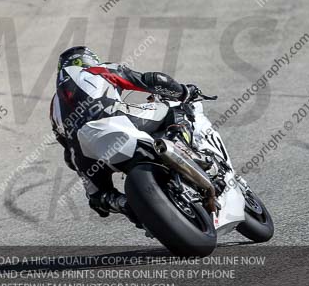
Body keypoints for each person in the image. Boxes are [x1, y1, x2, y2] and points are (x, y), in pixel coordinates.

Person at [50, 46, 203, 218]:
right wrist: (184, 92)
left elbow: (68, 154)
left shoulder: (54, 107)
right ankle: (187, 151)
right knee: (174, 109)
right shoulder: (97, 70)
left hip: (83, 151)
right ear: (88, 60)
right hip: (114, 118)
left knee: (98, 198)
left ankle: (122, 204)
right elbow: (151, 80)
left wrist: (80, 162)